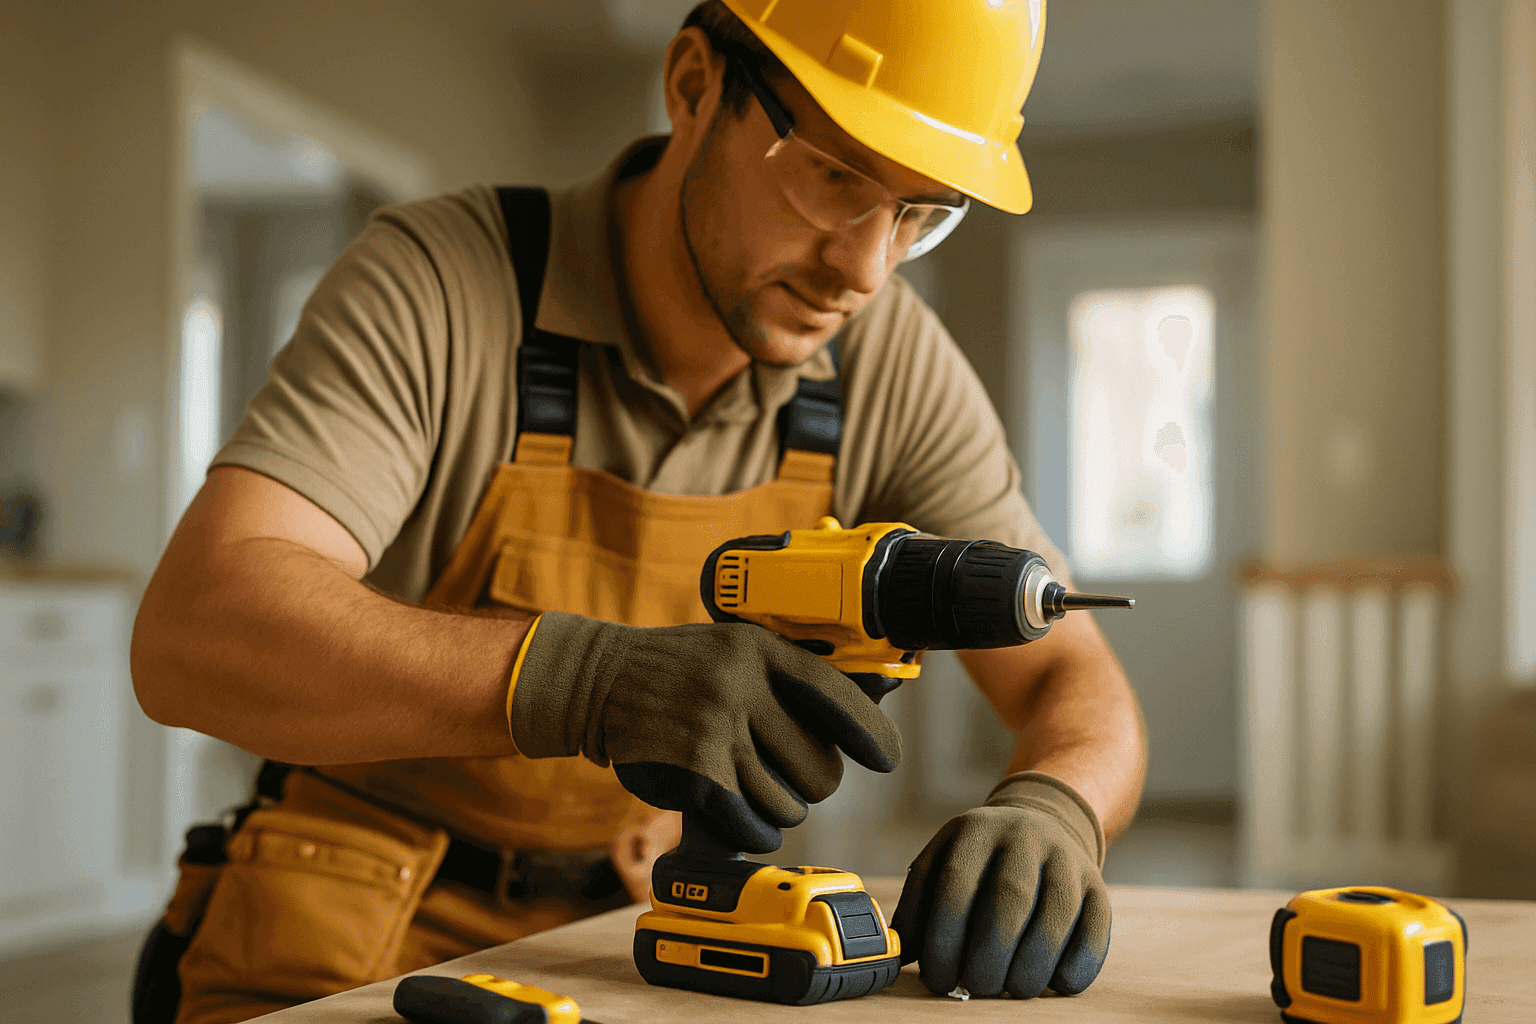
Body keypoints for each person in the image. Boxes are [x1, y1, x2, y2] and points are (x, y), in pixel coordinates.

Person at [130, 1, 1146, 1021]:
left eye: (923, 211)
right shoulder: (445, 281)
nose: (866, 269)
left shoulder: (888, 358)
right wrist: (584, 680)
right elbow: (195, 630)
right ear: (695, 85)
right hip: (338, 932)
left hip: (625, 938)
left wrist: (1055, 809)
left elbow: (1072, 675)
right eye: (834, 176)